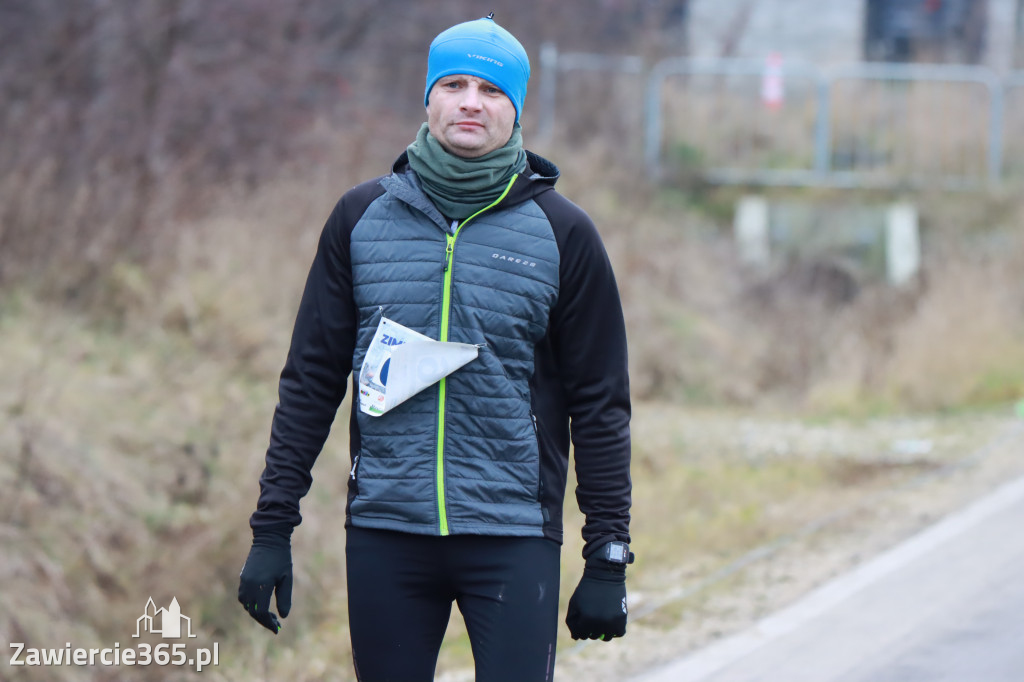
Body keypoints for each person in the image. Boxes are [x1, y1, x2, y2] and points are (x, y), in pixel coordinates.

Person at [238, 13, 632, 682]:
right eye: (454, 84)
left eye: (492, 89)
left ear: (516, 108)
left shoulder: (564, 234)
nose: (471, 102)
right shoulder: (359, 218)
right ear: (428, 98)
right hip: (387, 529)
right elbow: (310, 380)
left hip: (513, 532)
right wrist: (272, 529)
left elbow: (600, 404)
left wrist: (607, 554)